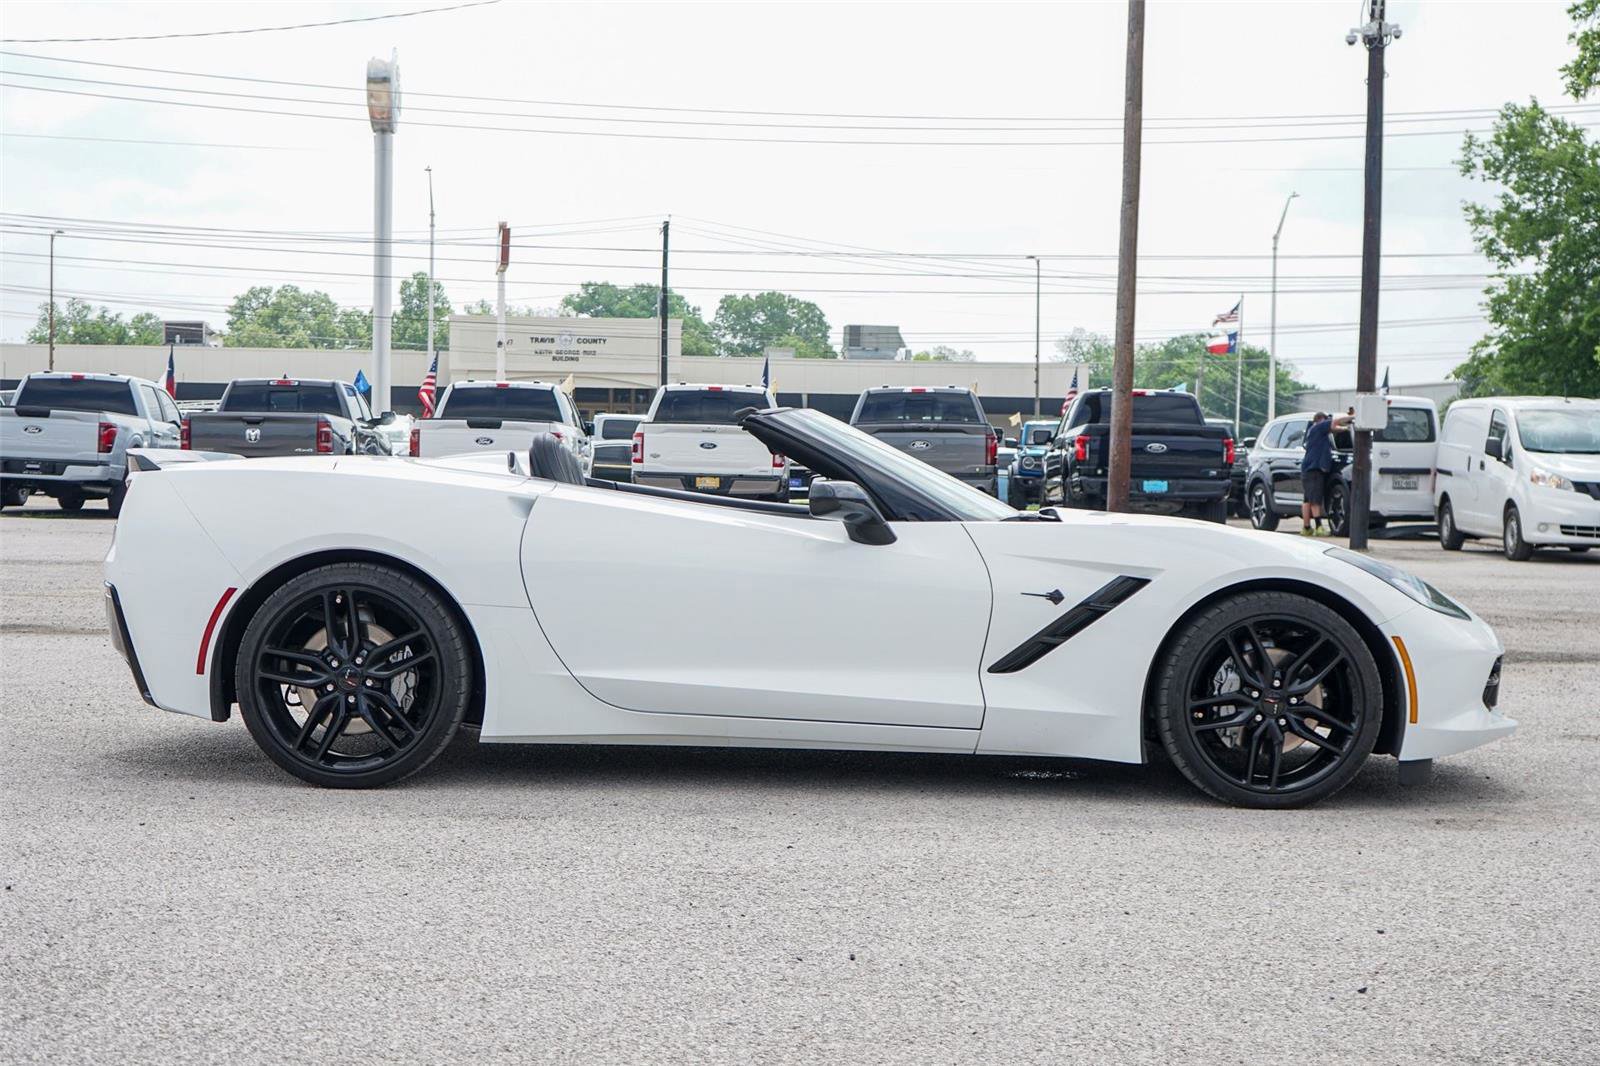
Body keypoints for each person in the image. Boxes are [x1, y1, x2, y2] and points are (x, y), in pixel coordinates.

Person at [1300, 409, 1354, 536]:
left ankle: (1306, 527)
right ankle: (1319, 527)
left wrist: (1346, 429)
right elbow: (1335, 422)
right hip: (1314, 470)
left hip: (1308, 469)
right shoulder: (1318, 427)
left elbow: (1335, 428)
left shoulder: (1314, 431)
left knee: (1307, 499)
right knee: (1315, 500)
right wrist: (1352, 416)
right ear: (1321, 420)